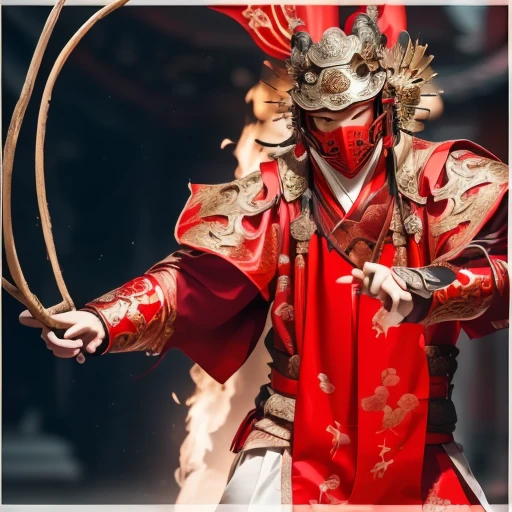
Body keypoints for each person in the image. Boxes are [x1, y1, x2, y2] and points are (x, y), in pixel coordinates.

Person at [19, 5, 508, 508]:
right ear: (301, 116)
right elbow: (194, 282)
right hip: (292, 436)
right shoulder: (278, 192)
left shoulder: (440, 179)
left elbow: (501, 272)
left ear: (385, 104)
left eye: (354, 114)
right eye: (323, 118)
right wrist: (105, 320)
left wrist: (424, 287)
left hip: (416, 443)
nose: (340, 132)